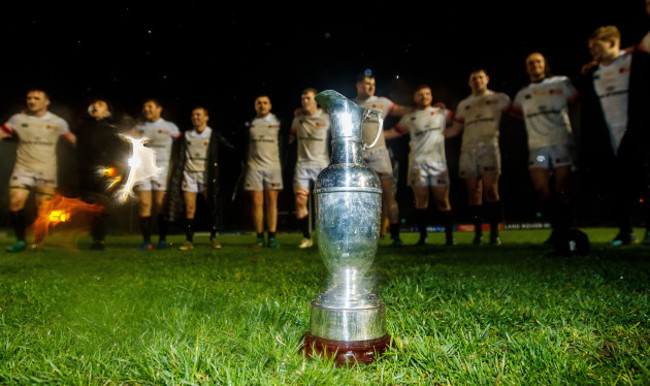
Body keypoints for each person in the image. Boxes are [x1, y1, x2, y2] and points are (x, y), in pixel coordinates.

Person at [577, 25, 650, 245]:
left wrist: (628, 51)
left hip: (637, 132)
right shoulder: (593, 72)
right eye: (590, 48)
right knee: (614, 186)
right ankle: (625, 231)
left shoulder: (635, 62)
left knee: (645, 182)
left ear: (612, 43)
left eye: (596, 46)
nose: (593, 52)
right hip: (608, 136)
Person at [510, 52, 580, 245]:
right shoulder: (522, 94)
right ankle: (556, 229)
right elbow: (515, 114)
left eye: (538, 62)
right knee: (541, 189)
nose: (534, 65)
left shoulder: (561, 83)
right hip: (538, 149)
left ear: (545, 65)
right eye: (530, 63)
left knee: (562, 189)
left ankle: (564, 231)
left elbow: (576, 101)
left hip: (561, 143)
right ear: (526, 68)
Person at [0, 89, 76, 252]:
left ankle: (38, 242)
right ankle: (20, 240)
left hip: (46, 170)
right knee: (15, 202)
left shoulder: (58, 122)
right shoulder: (17, 119)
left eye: (36, 98)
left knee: (43, 209)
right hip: (23, 168)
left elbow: (72, 139)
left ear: (46, 102)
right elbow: (2, 133)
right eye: (29, 98)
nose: (32, 101)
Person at [446, 69, 512, 246]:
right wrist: (434, 134)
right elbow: (455, 129)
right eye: (473, 78)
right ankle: (478, 235)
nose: (477, 81)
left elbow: (517, 112)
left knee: (491, 190)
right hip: (468, 149)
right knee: (474, 193)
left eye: (480, 78)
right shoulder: (464, 104)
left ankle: (494, 234)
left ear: (487, 79)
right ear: (469, 83)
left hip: (489, 148)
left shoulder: (499, 98)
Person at [384, 84, 454, 246]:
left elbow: (462, 118)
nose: (424, 97)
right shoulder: (410, 117)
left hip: (438, 163)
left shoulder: (442, 113)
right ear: (415, 98)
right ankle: (423, 238)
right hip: (417, 163)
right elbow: (392, 133)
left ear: (432, 96)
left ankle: (449, 238)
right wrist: (371, 134)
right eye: (420, 95)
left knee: (442, 201)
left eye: (427, 94)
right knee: (421, 201)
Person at [353, 71, 414, 246]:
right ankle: (363, 236)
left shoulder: (383, 102)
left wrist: (423, 107)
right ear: (358, 85)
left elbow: (404, 110)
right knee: (361, 199)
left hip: (379, 153)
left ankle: (395, 236)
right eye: (366, 83)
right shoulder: (351, 104)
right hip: (359, 157)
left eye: (373, 83)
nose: (371, 86)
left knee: (388, 197)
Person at [166, 107, 234, 251]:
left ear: (206, 117)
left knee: (212, 207)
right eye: (193, 114)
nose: (195, 117)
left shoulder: (212, 135)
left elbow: (228, 149)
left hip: (207, 175)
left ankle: (213, 237)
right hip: (189, 175)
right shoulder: (187, 135)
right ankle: (189, 240)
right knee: (190, 208)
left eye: (198, 114)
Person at [74, 98, 132, 250]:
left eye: (100, 105)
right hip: (85, 171)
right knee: (89, 206)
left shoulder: (111, 130)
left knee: (102, 205)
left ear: (107, 111)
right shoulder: (82, 127)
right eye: (94, 104)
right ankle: (94, 235)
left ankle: (99, 239)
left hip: (104, 173)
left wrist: (115, 169)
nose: (95, 106)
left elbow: (118, 151)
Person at [133, 98, 180, 250]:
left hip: (163, 169)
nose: (146, 109)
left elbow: (181, 144)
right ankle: (146, 242)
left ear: (159, 108)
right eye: (144, 107)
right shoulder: (139, 127)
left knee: (161, 204)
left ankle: (162, 239)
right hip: (144, 169)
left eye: (150, 106)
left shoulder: (170, 127)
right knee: (144, 204)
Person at [289, 88, 331, 249]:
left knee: (324, 205)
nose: (305, 101)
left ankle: (326, 238)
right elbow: (290, 139)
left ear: (316, 101)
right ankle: (306, 237)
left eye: (308, 98)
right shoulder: (297, 119)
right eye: (303, 99)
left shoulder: (327, 118)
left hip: (322, 166)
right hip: (302, 166)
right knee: (300, 201)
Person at [240, 95, 284, 248]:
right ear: (255, 106)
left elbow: (284, 143)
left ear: (270, 105)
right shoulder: (250, 123)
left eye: (265, 103)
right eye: (259, 103)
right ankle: (259, 238)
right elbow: (242, 144)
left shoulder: (278, 122)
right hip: (254, 167)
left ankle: (271, 238)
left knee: (272, 202)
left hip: (273, 167)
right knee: (257, 203)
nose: (262, 105)